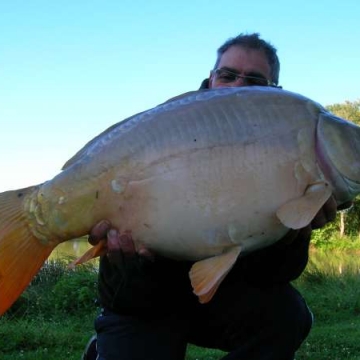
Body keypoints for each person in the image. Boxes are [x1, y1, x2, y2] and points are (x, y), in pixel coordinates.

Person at [82, 33, 339, 360]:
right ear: (210, 80)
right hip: (143, 298)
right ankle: (107, 346)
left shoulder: (284, 154)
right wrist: (128, 256)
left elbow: (276, 276)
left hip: (218, 298)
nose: (236, 86)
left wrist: (295, 234)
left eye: (255, 80)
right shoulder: (167, 127)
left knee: (289, 315)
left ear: (273, 92)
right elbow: (121, 287)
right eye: (228, 75)